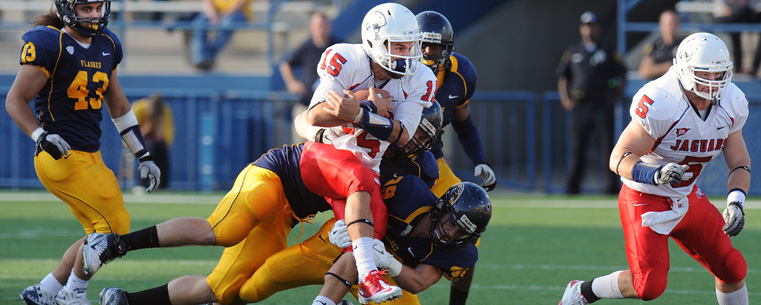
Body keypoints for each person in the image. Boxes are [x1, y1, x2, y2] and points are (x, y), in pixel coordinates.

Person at [87, 103, 444, 305]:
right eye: (411, 130)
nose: (414, 140)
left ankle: (126, 301)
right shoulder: (365, 115)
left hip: (293, 214)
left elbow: (363, 204)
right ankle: (118, 243)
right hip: (277, 175)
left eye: (421, 135)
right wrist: (316, 131)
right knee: (225, 229)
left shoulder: (415, 169)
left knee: (226, 290)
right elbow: (305, 116)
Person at [559, 32, 750, 305]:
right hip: (644, 196)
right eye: (704, 74)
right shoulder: (662, 100)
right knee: (648, 286)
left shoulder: (732, 101)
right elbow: (618, 157)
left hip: (684, 195)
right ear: (684, 71)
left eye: (719, 74)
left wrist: (736, 202)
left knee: (733, 268)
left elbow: (739, 161)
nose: (713, 82)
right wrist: (654, 175)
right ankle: (583, 290)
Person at [5, 0, 161, 304]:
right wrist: (40, 134)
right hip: (59, 155)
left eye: (97, 8)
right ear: (66, 9)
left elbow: (118, 106)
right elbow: (14, 100)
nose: (93, 15)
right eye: (85, 9)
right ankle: (72, 294)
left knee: (103, 233)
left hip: (90, 154)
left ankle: (46, 290)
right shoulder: (52, 43)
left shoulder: (107, 44)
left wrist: (144, 154)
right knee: (113, 226)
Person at [298, 2, 436, 303]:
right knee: (358, 178)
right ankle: (370, 279)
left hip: (365, 170)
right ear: (375, 41)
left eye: (410, 46)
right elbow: (315, 116)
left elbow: (403, 134)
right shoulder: (347, 58)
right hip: (324, 157)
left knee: (373, 233)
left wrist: (360, 113)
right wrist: (369, 106)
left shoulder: (421, 78)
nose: (406, 54)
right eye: (397, 46)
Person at [412, 10, 494, 305]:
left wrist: (479, 159)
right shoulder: (398, 70)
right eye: (423, 45)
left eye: (436, 46)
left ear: (449, 48)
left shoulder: (460, 73)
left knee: (469, 222)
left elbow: (463, 123)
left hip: (431, 158)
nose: (429, 52)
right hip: (391, 158)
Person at [312, 178, 492, 305]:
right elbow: (358, 188)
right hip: (338, 241)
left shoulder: (459, 252)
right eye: (452, 223)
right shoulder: (408, 193)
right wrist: (344, 219)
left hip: (383, 276)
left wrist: (386, 260)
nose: (451, 233)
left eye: (461, 233)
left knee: (360, 256)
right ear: (442, 208)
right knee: (282, 271)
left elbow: (419, 282)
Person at [556, 11, 627, 195]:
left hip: (602, 104)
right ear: (582, 28)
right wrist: (565, 98)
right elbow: (563, 77)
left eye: (592, 26)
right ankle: (573, 187)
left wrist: (615, 95)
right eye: (586, 26)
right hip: (580, 105)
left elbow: (621, 74)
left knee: (607, 149)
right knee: (577, 148)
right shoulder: (573, 51)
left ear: (598, 28)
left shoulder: (609, 50)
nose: (589, 30)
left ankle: (610, 188)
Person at [278, 12, 344, 144]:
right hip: (305, 106)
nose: (321, 29)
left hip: (329, 109)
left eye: (324, 25)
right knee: (300, 147)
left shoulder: (339, 46)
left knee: (328, 146)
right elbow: (285, 64)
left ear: (329, 26)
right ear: (312, 28)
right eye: (318, 26)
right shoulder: (306, 47)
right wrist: (293, 83)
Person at [190, 0, 253, 70]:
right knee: (199, 23)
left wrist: (223, 16)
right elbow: (207, 2)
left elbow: (241, 4)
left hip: (237, 14)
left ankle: (208, 58)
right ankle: (201, 58)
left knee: (227, 24)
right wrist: (213, 15)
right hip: (215, 13)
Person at [132, 93, 174, 189]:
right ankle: (143, 184)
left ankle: (161, 185)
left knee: (162, 163)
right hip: (148, 142)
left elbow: (163, 130)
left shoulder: (162, 111)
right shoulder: (144, 109)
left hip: (158, 142)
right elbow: (144, 130)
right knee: (149, 161)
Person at [714, 0, 761, 75]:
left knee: (744, 13)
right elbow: (725, 11)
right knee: (736, 25)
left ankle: (749, 68)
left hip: (742, 17)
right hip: (732, 19)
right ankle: (739, 67)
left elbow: (753, 9)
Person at [638, 9, 683, 80]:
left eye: (675, 24)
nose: (672, 28)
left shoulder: (684, 45)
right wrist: (668, 66)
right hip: (660, 87)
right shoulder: (653, 47)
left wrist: (656, 68)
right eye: (669, 24)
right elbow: (644, 72)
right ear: (661, 25)